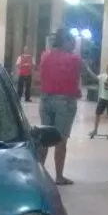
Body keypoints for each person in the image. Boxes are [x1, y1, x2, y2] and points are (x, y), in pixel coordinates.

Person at [38, 28, 82, 185]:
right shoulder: (74, 59)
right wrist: (77, 93)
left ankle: (39, 173)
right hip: (65, 101)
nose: (74, 46)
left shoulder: (45, 56)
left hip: (45, 99)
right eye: (72, 42)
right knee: (61, 140)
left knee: (44, 139)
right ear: (66, 42)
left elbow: (40, 77)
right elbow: (74, 81)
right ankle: (59, 176)